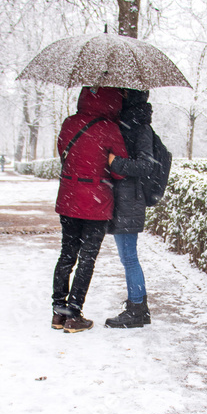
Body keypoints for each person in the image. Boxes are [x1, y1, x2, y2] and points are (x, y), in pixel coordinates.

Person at [52, 86, 128, 333]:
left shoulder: (69, 123)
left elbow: (63, 153)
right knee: (87, 259)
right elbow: (118, 169)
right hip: (96, 203)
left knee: (67, 254)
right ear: (113, 101)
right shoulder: (110, 128)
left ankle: (58, 312)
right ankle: (74, 314)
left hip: (69, 197)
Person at [104, 89, 155, 328]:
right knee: (128, 257)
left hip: (129, 199)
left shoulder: (140, 127)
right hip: (122, 197)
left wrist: (116, 163)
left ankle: (136, 309)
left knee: (129, 257)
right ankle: (139, 308)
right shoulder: (124, 123)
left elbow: (146, 165)